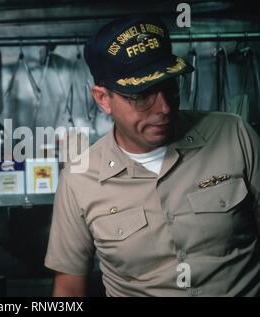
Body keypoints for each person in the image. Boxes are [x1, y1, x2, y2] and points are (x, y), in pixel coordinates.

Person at [44, 16, 260, 296]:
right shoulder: (79, 180)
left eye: (170, 87)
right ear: (103, 99)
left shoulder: (234, 135)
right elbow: (69, 289)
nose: (164, 108)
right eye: (142, 94)